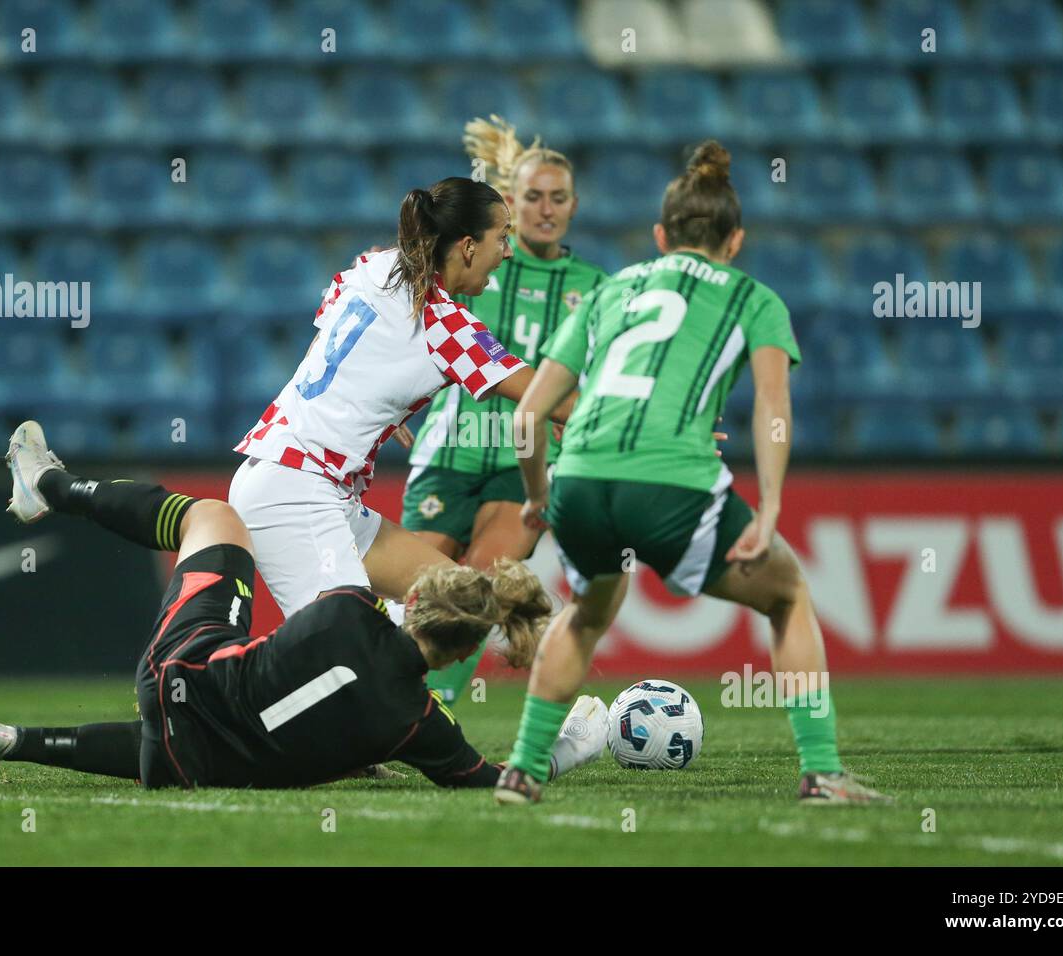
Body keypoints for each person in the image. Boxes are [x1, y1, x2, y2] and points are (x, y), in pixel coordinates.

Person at [493, 142, 892, 806]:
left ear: (660, 236)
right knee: (787, 595)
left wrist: (538, 497)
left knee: (589, 612)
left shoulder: (612, 288)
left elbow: (528, 416)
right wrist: (767, 508)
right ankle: (821, 773)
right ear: (734, 240)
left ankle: (523, 769)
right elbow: (772, 408)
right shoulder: (754, 298)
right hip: (673, 484)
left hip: (582, 479)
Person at [0, 421, 608, 790]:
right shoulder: (418, 727)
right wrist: (570, 743)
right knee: (227, 742)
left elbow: (331, 639)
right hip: (197, 763)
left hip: (180, 674)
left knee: (216, 519)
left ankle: (52, 486)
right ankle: (17, 741)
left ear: (418, 597)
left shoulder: (349, 604)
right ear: (465, 654)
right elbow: (494, 778)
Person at [226, 177, 575, 675]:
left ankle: (362, 733)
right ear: (469, 245)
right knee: (341, 664)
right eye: (502, 236)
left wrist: (378, 399)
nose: (509, 252)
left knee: (461, 600)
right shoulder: (447, 326)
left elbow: (332, 319)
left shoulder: (373, 267)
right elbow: (551, 398)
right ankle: (222, 706)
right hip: (294, 492)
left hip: (316, 485)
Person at [401, 116, 608, 705]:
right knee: (414, 588)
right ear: (509, 204)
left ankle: (429, 709)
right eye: (533, 197)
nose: (547, 209)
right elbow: (394, 282)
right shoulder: (479, 258)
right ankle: (372, 692)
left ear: (574, 205)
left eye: (559, 198)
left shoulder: (597, 287)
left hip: (529, 462)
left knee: (482, 585)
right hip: (449, 449)